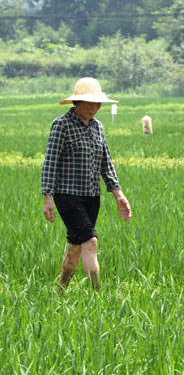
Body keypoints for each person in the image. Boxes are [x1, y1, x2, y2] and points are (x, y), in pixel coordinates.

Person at [41, 77, 132, 290]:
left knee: (76, 248)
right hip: (67, 195)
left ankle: (60, 290)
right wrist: (47, 198)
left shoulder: (98, 127)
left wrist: (119, 195)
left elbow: (106, 163)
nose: (95, 108)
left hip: (92, 195)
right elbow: (50, 162)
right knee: (91, 242)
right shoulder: (61, 125)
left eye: (98, 103)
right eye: (90, 103)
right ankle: (97, 295)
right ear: (77, 102)